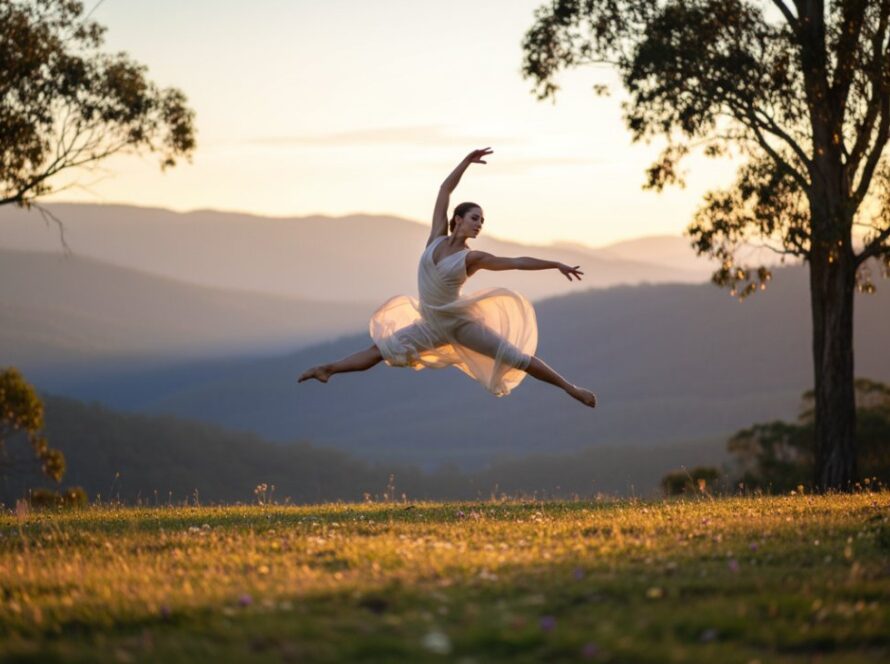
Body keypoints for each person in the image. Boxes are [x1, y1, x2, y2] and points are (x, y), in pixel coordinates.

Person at [299, 148, 597, 408]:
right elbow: (444, 190)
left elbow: (516, 262)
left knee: (516, 358)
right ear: (458, 219)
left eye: (482, 221)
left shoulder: (471, 258)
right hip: (430, 324)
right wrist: (466, 162)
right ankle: (327, 369)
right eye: (475, 218)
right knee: (378, 352)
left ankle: (572, 389)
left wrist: (555, 263)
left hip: (459, 324)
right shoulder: (435, 239)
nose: (479, 224)